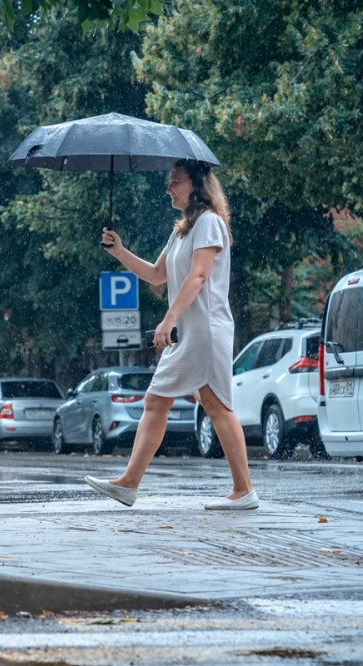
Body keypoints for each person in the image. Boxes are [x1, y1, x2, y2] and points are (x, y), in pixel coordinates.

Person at [84, 159, 258, 511]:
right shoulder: (182, 230)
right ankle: (129, 484)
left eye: (175, 182)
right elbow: (156, 274)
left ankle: (244, 491)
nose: (168, 189)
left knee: (217, 406)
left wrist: (168, 320)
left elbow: (198, 277)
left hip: (206, 330)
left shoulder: (209, 223)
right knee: (156, 400)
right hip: (190, 333)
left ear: (196, 185)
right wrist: (119, 251)